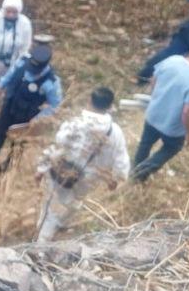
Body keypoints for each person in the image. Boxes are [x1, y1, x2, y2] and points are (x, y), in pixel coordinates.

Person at [34, 87, 130, 242]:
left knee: (52, 206)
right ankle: (62, 222)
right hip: (89, 178)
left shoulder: (75, 123)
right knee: (75, 201)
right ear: (110, 106)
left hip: (62, 172)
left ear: (89, 101)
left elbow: (58, 146)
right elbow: (121, 159)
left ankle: (41, 241)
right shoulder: (115, 132)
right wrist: (116, 179)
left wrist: (41, 168)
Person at [0, 43, 63, 175]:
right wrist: (0, 87)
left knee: (18, 142)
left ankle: (9, 165)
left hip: (27, 116)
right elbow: (10, 74)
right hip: (9, 106)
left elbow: (54, 105)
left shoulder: (51, 82)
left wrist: (38, 119)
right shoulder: (23, 62)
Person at [131, 45, 189, 182]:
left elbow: (154, 80)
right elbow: (188, 111)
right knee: (172, 147)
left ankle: (134, 170)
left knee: (145, 144)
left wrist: (157, 98)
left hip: (153, 113)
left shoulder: (172, 60)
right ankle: (139, 174)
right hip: (172, 126)